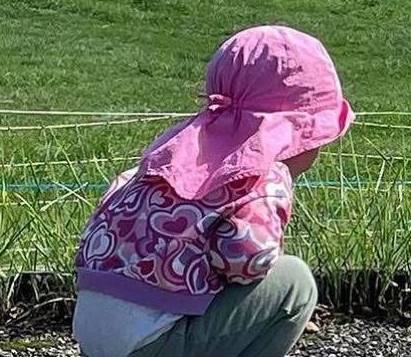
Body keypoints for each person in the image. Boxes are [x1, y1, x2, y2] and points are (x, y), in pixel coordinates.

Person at [72, 24, 354, 357]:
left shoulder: (173, 154)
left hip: (92, 331)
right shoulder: (262, 175)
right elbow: (250, 258)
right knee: (295, 283)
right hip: (154, 343)